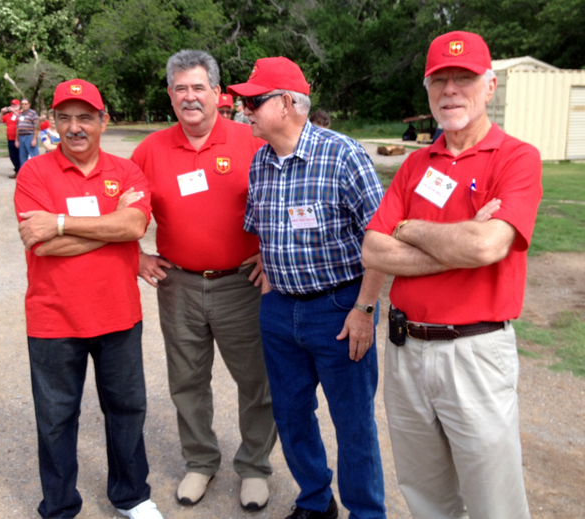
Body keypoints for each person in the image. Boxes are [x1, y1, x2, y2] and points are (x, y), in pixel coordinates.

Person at [362, 31, 542, 519]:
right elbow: (374, 250)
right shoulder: (416, 164)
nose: (450, 91)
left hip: (475, 354)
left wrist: (409, 227)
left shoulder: (516, 157)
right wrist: (456, 244)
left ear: (490, 86)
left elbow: (488, 244)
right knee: (426, 495)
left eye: (464, 79)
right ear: (427, 90)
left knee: (493, 501)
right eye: (439, 80)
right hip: (405, 351)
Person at [228, 57, 387, 519]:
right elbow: (262, 228)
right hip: (280, 311)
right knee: (292, 416)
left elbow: (381, 238)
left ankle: (365, 513)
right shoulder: (260, 161)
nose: (244, 111)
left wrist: (364, 308)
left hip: (339, 309)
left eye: (253, 102)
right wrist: (270, 272)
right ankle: (316, 502)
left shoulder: (343, 155)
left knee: (353, 423)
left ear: (285, 104)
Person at [131, 50, 277, 511]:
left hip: (242, 284)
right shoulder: (149, 150)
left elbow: (284, 201)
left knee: (257, 381)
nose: (189, 97)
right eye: (180, 88)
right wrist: (134, 257)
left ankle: (254, 466)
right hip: (179, 286)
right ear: (170, 96)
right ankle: (200, 460)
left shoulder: (252, 140)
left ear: (218, 93)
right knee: (188, 381)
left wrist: (271, 258)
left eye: (198, 87)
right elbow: (119, 210)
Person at [14, 78, 164, 519]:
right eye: (65, 118)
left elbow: (134, 228)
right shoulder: (33, 172)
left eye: (85, 117)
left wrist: (59, 222)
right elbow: (40, 245)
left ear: (103, 121)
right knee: (57, 419)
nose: (75, 127)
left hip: (118, 316)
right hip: (53, 320)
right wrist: (112, 227)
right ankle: (59, 506)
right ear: (54, 122)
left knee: (127, 409)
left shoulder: (126, 172)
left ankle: (131, 495)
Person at [0, 99, 21, 177]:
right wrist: (2, 112)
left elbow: (21, 118)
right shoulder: (8, 115)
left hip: (19, 139)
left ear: (18, 106)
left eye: (15, 105)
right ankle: (17, 170)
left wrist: (14, 111)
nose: (13, 107)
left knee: (20, 155)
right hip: (10, 138)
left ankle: (21, 172)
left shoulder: (21, 113)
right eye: (12, 105)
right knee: (12, 156)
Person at [15, 97, 40, 170]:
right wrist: (16, 140)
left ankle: (37, 172)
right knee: (22, 158)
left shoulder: (33, 113)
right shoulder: (20, 114)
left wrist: (34, 139)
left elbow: (37, 127)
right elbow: (18, 127)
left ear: (29, 105)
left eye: (26, 104)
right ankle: (24, 173)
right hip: (21, 137)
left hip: (30, 137)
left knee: (34, 156)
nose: (24, 105)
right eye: (22, 104)